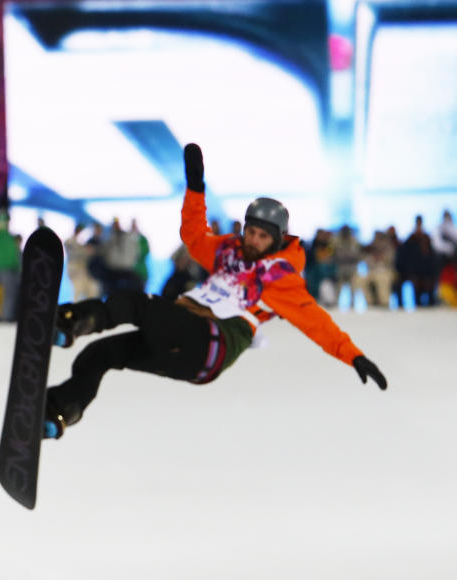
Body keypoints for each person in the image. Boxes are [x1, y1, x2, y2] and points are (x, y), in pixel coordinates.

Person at [42, 144, 387, 439]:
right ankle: (58, 413)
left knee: (137, 304)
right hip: (185, 351)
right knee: (99, 356)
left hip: (213, 339)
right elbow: (194, 237)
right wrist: (195, 187)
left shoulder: (280, 278)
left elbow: (316, 323)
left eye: (262, 237)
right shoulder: (228, 251)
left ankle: (70, 322)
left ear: (277, 241)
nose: (252, 241)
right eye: (250, 232)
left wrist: (353, 355)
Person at [64, 222, 101, 300]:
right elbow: (74, 254)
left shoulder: (80, 243)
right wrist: (86, 251)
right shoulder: (69, 241)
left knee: (89, 290)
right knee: (78, 290)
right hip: (75, 270)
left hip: (82, 271)